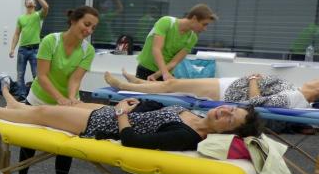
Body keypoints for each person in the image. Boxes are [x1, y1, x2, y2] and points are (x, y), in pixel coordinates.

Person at [0, 87, 263, 152]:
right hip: (113, 115)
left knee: (43, 114)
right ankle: (15, 106)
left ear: (226, 133)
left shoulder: (188, 135)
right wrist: (135, 104)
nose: (224, 112)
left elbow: (132, 141)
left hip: (102, 126)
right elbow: (154, 111)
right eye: (230, 109)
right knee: (49, 109)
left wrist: (121, 113)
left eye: (230, 119)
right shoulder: (198, 116)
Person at [16, 6, 100, 174]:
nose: (89, 30)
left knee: (65, 147)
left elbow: (75, 79)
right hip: (40, 98)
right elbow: (42, 75)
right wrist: (59, 98)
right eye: (86, 24)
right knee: (28, 142)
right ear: (74, 20)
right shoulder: (50, 41)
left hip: (66, 102)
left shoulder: (88, 50)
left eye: (93, 28)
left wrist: (70, 98)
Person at [106, 70, 319, 108]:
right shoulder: (297, 91)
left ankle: (124, 86)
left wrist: (254, 80)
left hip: (227, 93)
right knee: (176, 85)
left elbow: (256, 102)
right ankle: (139, 83)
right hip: (231, 86)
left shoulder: (295, 98)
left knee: (174, 85)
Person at [135, 4, 217, 81]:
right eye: (204, 24)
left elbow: (174, 62)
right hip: (146, 69)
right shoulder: (166, 22)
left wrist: (157, 75)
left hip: (165, 73)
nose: (205, 29)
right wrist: (164, 73)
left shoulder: (192, 38)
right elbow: (156, 49)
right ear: (194, 18)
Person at [9, 0, 49, 98]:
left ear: (35, 4)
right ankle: (22, 95)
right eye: (27, 0)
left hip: (35, 49)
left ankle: (37, 96)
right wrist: (12, 49)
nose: (29, 1)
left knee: (36, 75)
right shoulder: (21, 18)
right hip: (22, 49)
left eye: (31, 0)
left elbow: (46, 7)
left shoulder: (38, 15)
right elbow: (16, 34)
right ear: (25, 4)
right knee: (20, 74)